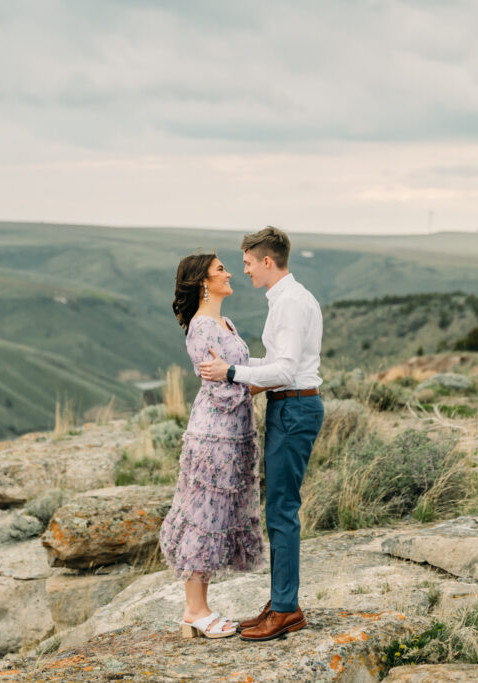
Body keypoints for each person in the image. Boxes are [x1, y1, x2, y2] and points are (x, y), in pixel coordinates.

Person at [199, 226, 324, 642]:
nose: (245, 270)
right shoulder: (289, 298)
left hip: (293, 407)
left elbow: (285, 370)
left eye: (249, 263)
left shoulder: (289, 303)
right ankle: (280, 601)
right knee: (279, 509)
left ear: (267, 261)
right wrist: (239, 361)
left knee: (282, 511)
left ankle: (286, 610)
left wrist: (232, 372)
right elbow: (277, 361)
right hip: (290, 405)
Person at [159, 252, 268, 640]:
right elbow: (223, 391)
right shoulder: (202, 328)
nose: (229, 273)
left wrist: (264, 372)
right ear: (203, 281)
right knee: (204, 517)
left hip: (235, 434)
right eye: (221, 269)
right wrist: (272, 379)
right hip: (213, 435)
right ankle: (194, 610)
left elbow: (236, 372)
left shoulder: (225, 322)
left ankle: (199, 607)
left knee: (218, 516)